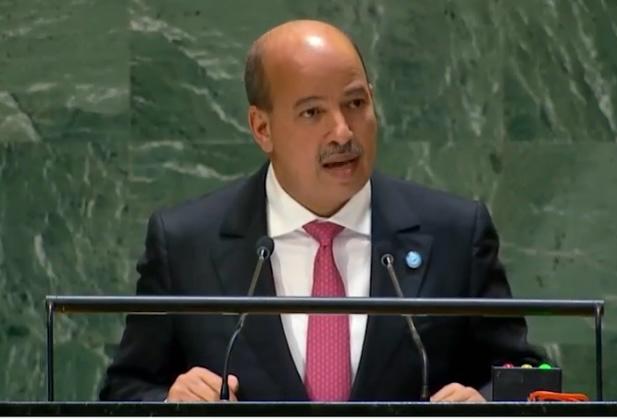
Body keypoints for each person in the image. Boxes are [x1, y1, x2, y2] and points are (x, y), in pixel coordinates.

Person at [99, 19, 542, 403]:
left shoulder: (455, 234)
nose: (343, 132)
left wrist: (485, 403)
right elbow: (125, 391)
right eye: (313, 112)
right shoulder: (186, 244)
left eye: (356, 104)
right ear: (262, 128)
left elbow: (529, 379)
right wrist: (171, 402)